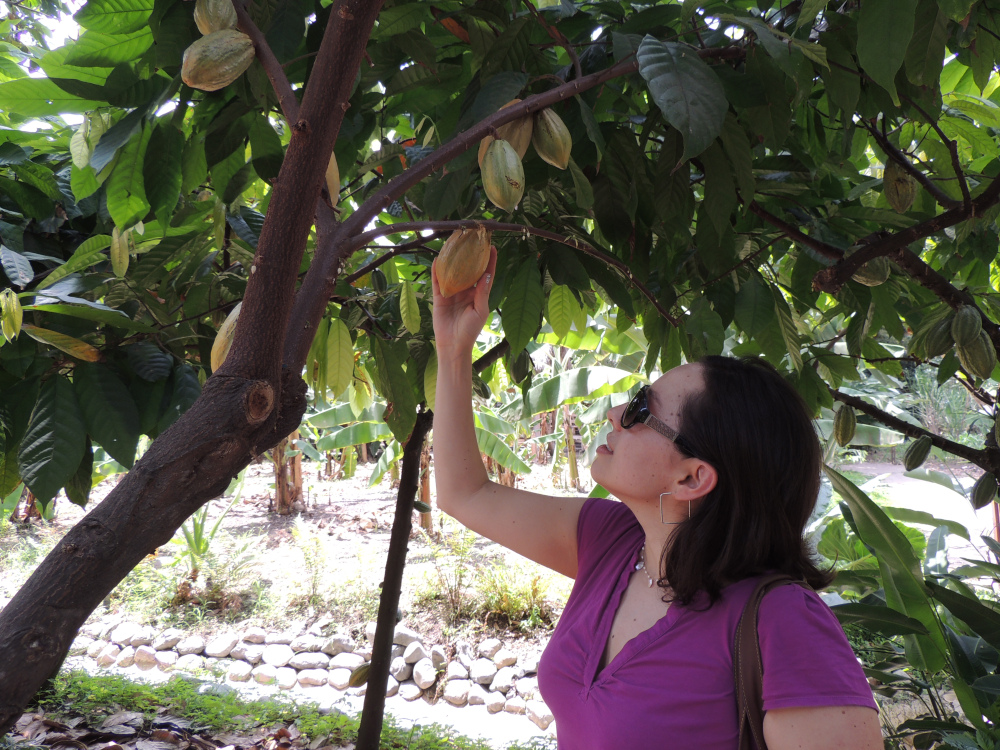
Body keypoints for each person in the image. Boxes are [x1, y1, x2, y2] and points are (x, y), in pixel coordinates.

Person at [430, 246, 881, 750]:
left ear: (692, 479)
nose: (616, 411)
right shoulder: (611, 542)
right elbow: (463, 492)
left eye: (643, 407)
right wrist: (453, 350)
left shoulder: (785, 625)